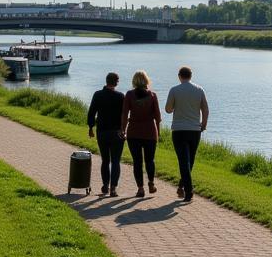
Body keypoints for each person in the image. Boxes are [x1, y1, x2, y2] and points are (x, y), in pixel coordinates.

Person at [165, 66, 208, 202]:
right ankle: (182, 187)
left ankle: (188, 191)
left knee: (184, 161)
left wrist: (177, 104)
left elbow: (168, 109)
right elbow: (205, 109)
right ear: (191, 76)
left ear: (179, 76)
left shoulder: (174, 90)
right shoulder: (199, 90)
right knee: (190, 160)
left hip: (179, 130)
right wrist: (204, 124)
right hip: (195, 130)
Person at [121, 70, 161, 198]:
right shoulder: (153, 95)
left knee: (137, 161)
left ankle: (140, 188)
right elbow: (158, 117)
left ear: (134, 81)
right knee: (150, 160)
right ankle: (151, 182)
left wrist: (123, 129)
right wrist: (158, 132)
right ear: (146, 80)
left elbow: (124, 114)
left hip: (133, 132)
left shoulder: (129, 95)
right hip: (150, 131)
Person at [87, 72, 126, 196]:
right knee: (115, 161)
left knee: (105, 160)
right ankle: (113, 188)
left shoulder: (98, 95)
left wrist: (91, 127)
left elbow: (91, 112)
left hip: (102, 132)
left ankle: (105, 185)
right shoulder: (120, 96)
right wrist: (124, 129)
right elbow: (124, 115)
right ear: (116, 82)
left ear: (106, 81)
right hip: (117, 133)